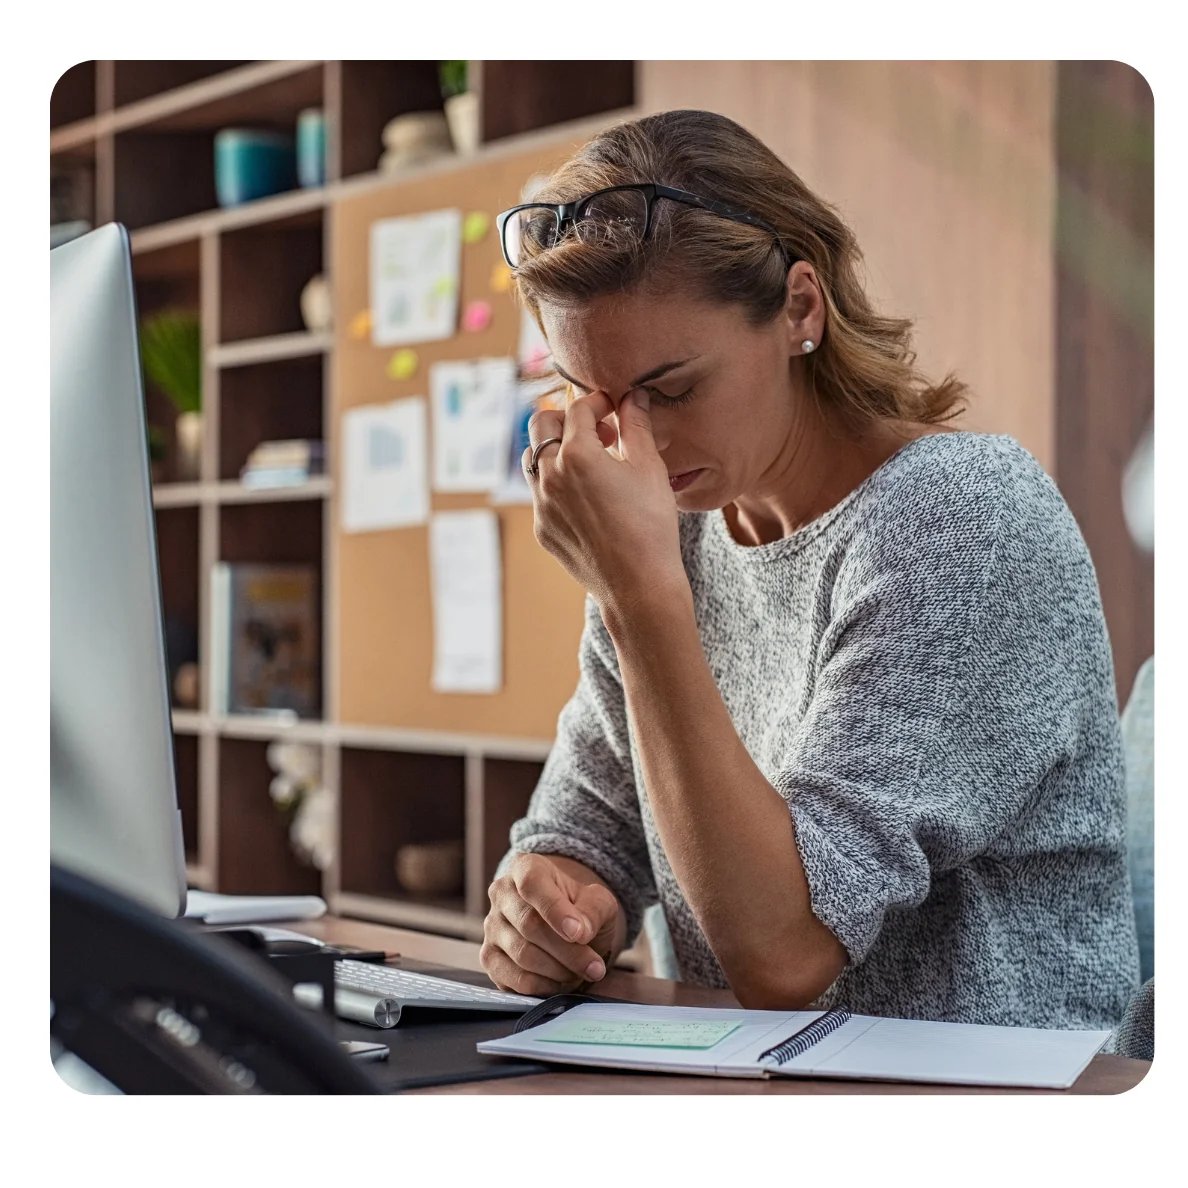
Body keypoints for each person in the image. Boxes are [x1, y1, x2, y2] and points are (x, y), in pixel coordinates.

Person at [480, 109, 1139, 1029]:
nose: (636, 442)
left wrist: (638, 596)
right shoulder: (674, 537)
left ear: (800, 307)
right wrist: (549, 904)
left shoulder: (962, 519)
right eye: (596, 397)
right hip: (760, 1093)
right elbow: (589, 829)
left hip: (996, 1112)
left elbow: (785, 952)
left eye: (672, 389)